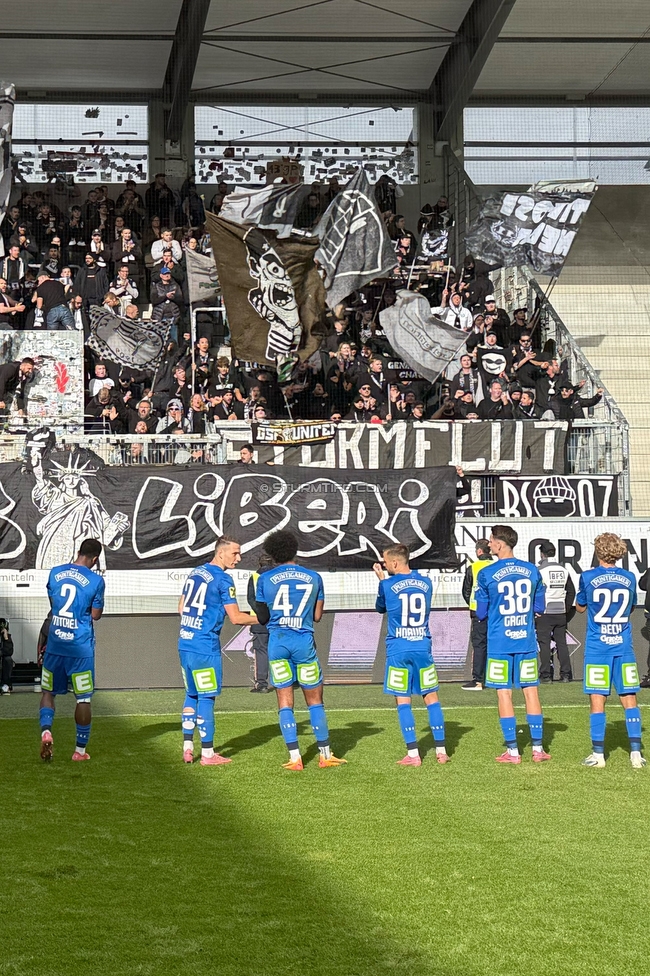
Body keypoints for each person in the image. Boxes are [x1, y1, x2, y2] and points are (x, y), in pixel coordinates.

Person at [254, 529, 346, 770]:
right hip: (303, 643)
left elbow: (262, 617)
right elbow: (317, 616)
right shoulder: (314, 577)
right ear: (295, 550)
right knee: (315, 701)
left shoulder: (264, 579)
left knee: (285, 701)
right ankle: (325, 755)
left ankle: (295, 758)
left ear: (273, 553)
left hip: (278, 643)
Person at [177, 536, 258, 766]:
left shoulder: (195, 572)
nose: (239, 558)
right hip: (205, 647)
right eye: (235, 553)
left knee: (191, 694)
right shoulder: (224, 579)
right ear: (220, 553)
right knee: (206, 697)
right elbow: (235, 618)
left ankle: (187, 748)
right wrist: (264, 618)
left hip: (185, 643)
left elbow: (181, 607)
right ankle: (209, 754)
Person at [475, 524, 550, 763]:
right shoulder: (531, 570)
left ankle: (513, 751)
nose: (488, 544)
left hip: (499, 642)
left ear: (499, 543)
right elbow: (539, 607)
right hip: (525, 640)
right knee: (531, 692)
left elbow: (481, 612)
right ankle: (538, 750)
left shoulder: (486, 573)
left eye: (490, 540)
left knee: (504, 694)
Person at [373, 544, 449, 766]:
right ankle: (441, 751)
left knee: (403, 700)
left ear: (395, 562)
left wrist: (381, 581)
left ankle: (414, 755)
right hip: (422, 646)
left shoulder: (387, 584)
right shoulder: (425, 583)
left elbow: (381, 608)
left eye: (386, 562)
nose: (385, 566)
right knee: (431, 698)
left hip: (399, 648)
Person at [575, 533, 645, 768]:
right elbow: (631, 606)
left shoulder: (587, 577)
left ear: (598, 551)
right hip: (623, 646)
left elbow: (581, 608)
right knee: (629, 697)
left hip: (598, 647)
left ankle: (598, 755)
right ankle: (636, 754)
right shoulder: (629, 577)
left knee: (597, 698)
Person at [38, 539, 105, 762]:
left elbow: (54, 604)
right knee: (83, 699)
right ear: (95, 559)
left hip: (56, 645)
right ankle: (80, 751)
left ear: (78, 552)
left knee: (48, 692)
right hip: (80, 648)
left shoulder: (55, 573)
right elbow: (95, 615)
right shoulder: (96, 580)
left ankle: (46, 730)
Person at [537, 542, 576, 683]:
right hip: (560, 612)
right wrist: (565, 608)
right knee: (561, 644)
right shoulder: (564, 570)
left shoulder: (540, 570)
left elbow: (534, 592)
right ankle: (566, 674)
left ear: (542, 553)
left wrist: (536, 609)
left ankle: (546, 675)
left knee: (544, 643)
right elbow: (571, 591)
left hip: (544, 612)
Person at [461, 539, 493, 691]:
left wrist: (473, 604)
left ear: (479, 552)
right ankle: (500, 678)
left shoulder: (473, 567)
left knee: (479, 646)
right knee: (497, 644)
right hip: (498, 612)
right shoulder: (496, 566)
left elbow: (466, 591)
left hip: (478, 612)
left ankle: (478, 680)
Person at [247, 553, 274, 693]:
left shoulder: (255, 577)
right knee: (280, 651)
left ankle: (261, 683)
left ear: (259, 564)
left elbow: (250, 599)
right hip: (278, 619)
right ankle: (286, 681)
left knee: (261, 651)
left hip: (259, 620)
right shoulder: (277, 577)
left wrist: (262, 614)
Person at [0, 618, 14, 694]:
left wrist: (6, 638)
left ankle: (5, 684)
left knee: (8, 660)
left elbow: (9, 651)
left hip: (4, 658)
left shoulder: (7, 637)